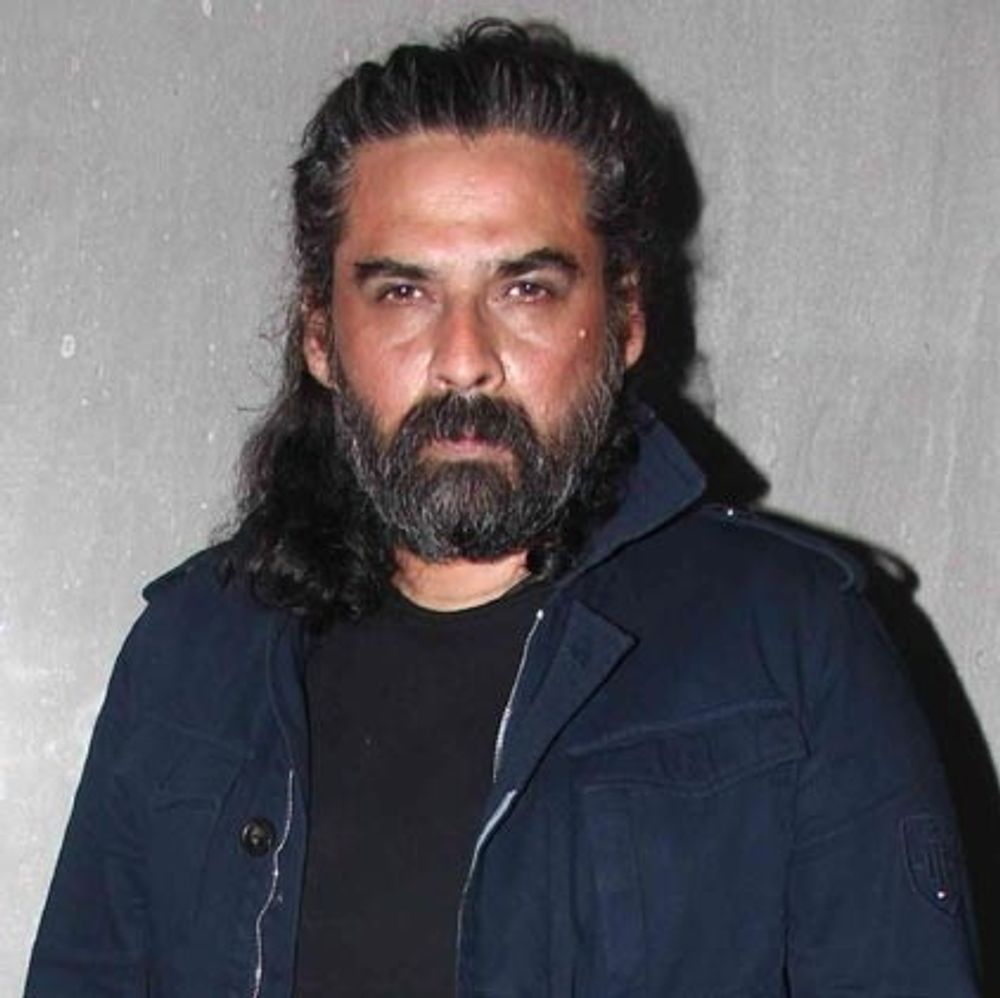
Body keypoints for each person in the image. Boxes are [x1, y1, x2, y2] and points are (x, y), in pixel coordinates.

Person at [26, 18, 981, 998]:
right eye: (404, 292)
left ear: (624, 319)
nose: (463, 358)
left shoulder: (793, 647)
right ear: (319, 334)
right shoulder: (190, 655)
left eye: (525, 289)